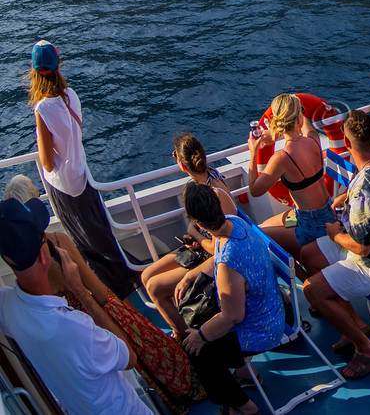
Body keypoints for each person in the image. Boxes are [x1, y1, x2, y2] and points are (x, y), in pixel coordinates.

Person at [6, 187, 194, 412]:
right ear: (44, 255)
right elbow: (128, 357)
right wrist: (80, 291)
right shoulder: (75, 327)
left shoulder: (9, 309)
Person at [299, 109, 370, 380]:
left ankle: (369, 350)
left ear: (347, 144)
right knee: (308, 255)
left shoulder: (366, 193)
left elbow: (363, 248)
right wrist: (347, 197)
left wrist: (334, 233)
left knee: (311, 291)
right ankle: (353, 323)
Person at [28, 41, 140, 296]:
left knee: (85, 244)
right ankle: (125, 281)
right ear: (59, 66)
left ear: (34, 71)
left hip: (64, 186)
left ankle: (111, 294)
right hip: (82, 176)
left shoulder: (42, 108)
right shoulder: (70, 95)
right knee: (100, 234)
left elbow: (46, 162)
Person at [177, 182, 286, 415]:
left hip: (260, 330)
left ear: (199, 225)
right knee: (200, 331)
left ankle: (245, 407)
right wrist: (190, 275)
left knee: (196, 351)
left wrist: (201, 336)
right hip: (271, 309)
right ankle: (244, 373)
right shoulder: (235, 223)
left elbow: (233, 316)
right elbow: (217, 258)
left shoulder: (229, 262)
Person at [140, 132, 237, 336]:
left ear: (182, 165)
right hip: (202, 248)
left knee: (155, 288)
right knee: (146, 275)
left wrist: (195, 233)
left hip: (216, 257)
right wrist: (196, 236)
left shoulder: (216, 193)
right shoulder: (201, 184)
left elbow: (225, 247)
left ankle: (186, 337)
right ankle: (185, 324)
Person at [246, 93, 334, 259]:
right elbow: (305, 123)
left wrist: (253, 151)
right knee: (265, 225)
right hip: (326, 214)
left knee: (257, 233)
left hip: (310, 228)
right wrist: (279, 134)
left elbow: (255, 190)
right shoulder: (313, 139)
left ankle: (299, 271)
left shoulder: (281, 158)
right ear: (299, 120)